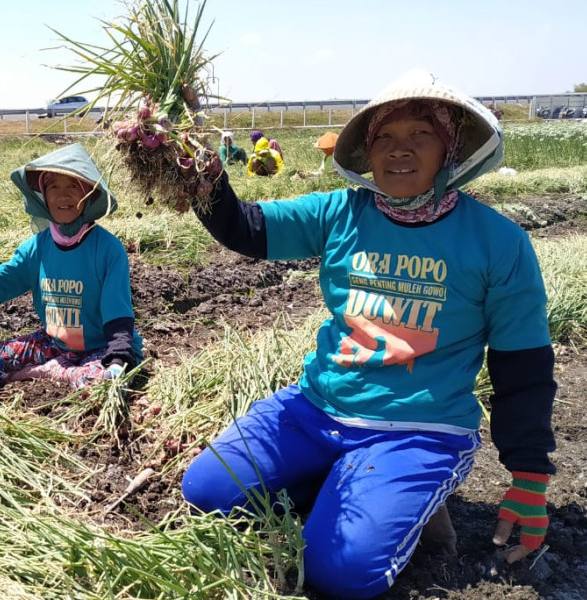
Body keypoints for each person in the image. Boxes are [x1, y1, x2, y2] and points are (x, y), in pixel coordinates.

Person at [180, 70, 555, 600]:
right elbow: (245, 227)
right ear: (367, 151)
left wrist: (529, 476)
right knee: (205, 494)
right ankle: (343, 476)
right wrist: (195, 164)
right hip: (317, 409)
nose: (399, 150)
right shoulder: (340, 213)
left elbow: (524, 366)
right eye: (384, 137)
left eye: (420, 135)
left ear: (449, 149)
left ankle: (412, 501)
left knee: (339, 572)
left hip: (420, 429)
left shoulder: (498, 242)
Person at [0, 143, 143, 390]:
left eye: (73, 187)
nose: (62, 196)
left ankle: (50, 371)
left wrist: (119, 359)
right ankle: (55, 368)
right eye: (53, 186)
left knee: (98, 384)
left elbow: (118, 315)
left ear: (89, 194)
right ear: (43, 196)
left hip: (102, 348)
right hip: (54, 344)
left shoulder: (108, 249)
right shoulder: (35, 248)